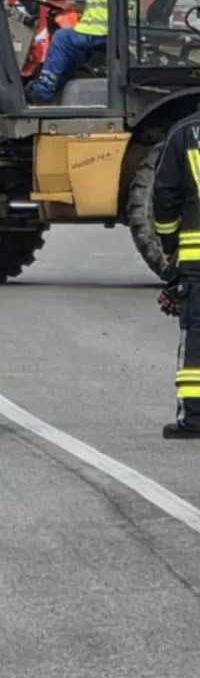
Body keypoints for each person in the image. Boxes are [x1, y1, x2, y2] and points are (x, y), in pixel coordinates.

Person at [152, 110, 200, 438]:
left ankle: (194, 418)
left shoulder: (184, 132)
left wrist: (170, 245)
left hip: (197, 256)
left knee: (197, 332)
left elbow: (165, 196)